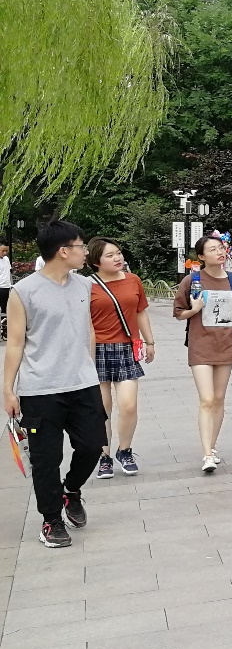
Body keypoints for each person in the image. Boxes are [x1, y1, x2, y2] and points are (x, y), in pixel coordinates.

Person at [2, 221, 104, 548]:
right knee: (46, 459)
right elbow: (15, 343)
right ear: (63, 251)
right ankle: (51, 520)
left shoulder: (84, 285)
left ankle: (70, 490)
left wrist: (88, 366)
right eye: (81, 246)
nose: (85, 252)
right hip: (40, 388)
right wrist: (8, 389)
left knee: (92, 445)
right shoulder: (24, 292)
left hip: (82, 383)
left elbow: (88, 328)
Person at [173, 235, 232, 473]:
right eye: (212, 249)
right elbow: (178, 312)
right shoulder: (192, 280)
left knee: (218, 399)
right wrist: (195, 310)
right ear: (201, 256)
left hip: (226, 344)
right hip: (200, 345)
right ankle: (207, 454)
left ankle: (212, 445)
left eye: (220, 248)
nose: (219, 252)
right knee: (207, 399)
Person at [87, 238, 154, 477]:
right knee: (101, 408)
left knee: (128, 405)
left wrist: (149, 341)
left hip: (126, 348)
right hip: (96, 350)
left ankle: (124, 451)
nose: (117, 258)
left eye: (118, 253)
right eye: (110, 255)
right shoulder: (86, 285)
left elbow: (140, 312)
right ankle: (104, 456)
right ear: (96, 261)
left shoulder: (133, 280)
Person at [0, 244, 10, 339]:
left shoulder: (6, 259)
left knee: (5, 309)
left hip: (6, 287)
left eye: (6, 250)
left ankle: (4, 330)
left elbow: (8, 272)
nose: (5, 253)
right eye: (3, 251)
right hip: (0, 287)